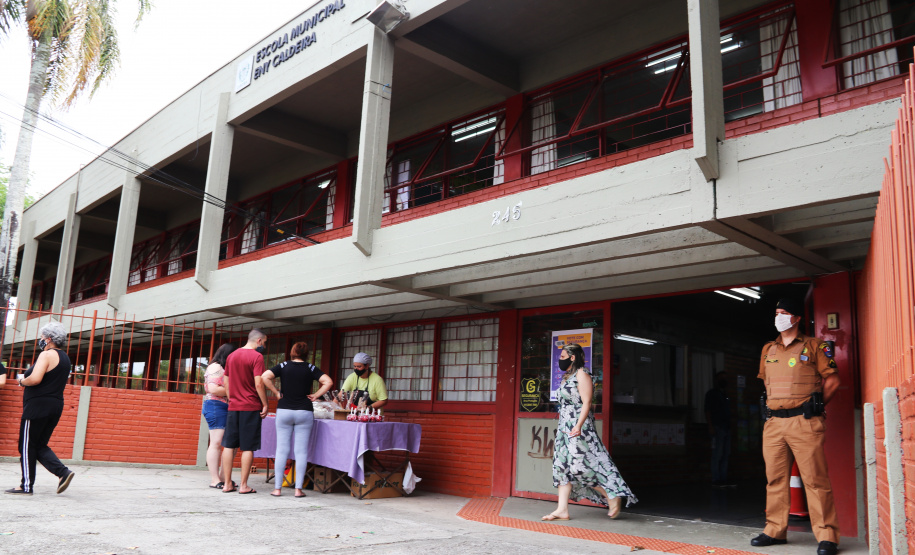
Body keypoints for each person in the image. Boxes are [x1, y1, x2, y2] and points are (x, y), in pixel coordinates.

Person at [751, 298, 840, 555]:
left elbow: (832, 381)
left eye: (784, 312)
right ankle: (775, 530)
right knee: (775, 479)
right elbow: (766, 384)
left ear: (797, 318)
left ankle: (827, 536)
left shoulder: (815, 346)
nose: (779, 316)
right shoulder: (769, 349)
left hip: (805, 422)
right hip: (774, 423)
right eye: (777, 312)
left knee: (815, 479)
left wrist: (817, 407)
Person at [542, 343, 637, 521]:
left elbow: (586, 403)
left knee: (580, 466)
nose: (559, 360)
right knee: (561, 467)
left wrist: (578, 425)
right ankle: (562, 509)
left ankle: (611, 494)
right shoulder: (566, 377)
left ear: (572, 357)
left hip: (579, 427)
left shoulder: (582, 374)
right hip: (564, 427)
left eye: (562, 357)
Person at [6, 321, 75, 495]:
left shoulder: (46, 355)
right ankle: (63, 473)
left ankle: (26, 485)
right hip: (55, 406)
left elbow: (35, 379)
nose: (41, 340)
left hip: (37, 407)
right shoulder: (65, 358)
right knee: (39, 445)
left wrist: (22, 381)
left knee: (26, 445)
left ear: (49, 339)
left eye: (42, 337)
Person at [262, 341, 333, 498]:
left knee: (281, 450)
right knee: (301, 452)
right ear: (306, 353)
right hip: (304, 411)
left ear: (292, 352)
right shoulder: (310, 368)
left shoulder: (283, 366)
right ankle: (298, 490)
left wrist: (275, 392)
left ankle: (277, 489)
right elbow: (328, 381)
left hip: (284, 410)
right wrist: (315, 395)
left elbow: (265, 376)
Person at [221, 328, 269, 495]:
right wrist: (265, 403)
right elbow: (259, 383)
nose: (264, 345)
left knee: (229, 445)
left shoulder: (231, 356)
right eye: (265, 342)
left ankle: (227, 484)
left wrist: (231, 397)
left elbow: (226, 380)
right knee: (247, 447)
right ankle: (243, 485)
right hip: (250, 406)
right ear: (259, 341)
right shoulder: (257, 357)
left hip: (233, 406)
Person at [202, 343, 235, 489]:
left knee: (230, 444)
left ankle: (223, 477)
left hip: (226, 407)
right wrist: (234, 390)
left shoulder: (225, 368)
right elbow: (213, 388)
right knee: (216, 442)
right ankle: (215, 480)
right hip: (216, 406)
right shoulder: (216, 367)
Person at [705, 370, 732, 487]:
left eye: (725, 378)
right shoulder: (711, 394)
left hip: (727, 428)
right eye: (722, 378)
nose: (724, 381)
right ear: (716, 380)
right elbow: (707, 411)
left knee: (726, 454)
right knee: (717, 454)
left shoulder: (725, 395)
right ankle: (716, 479)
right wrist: (710, 426)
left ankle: (723, 478)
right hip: (717, 427)